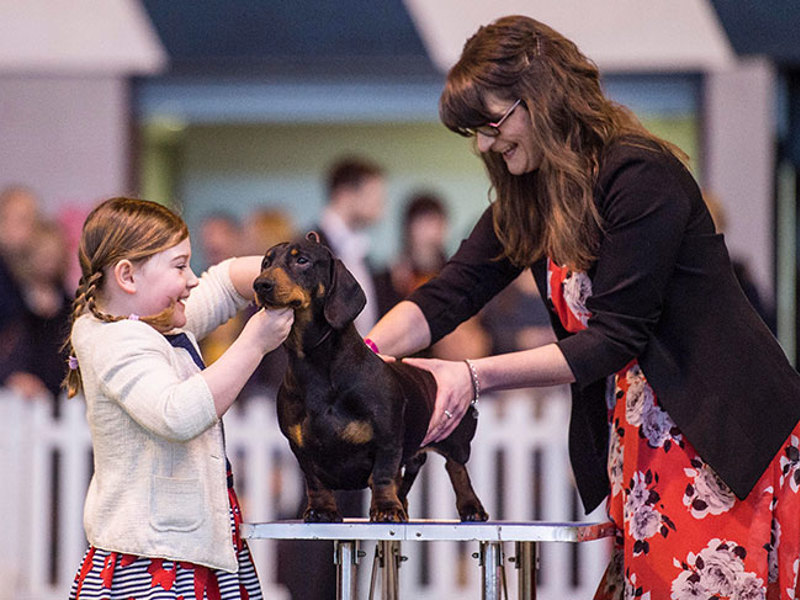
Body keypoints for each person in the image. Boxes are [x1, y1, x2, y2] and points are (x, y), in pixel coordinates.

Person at [365, 15, 800, 598]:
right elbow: (447, 295)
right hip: (641, 441)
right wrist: (359, 357)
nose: (486, 144)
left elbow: (615, 338)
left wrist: (473, 376)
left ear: (541, 97)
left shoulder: (639, 173)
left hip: (719, 441)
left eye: (492, 123)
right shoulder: (529, 198)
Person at [63, 197, 293, 600]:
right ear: (128, 277)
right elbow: (178, 414)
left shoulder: (161, 321)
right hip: (153, 562)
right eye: (179, 266)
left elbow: (222, 283)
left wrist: (288, 272)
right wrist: (254, 343)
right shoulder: (113, 340)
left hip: (191, 552)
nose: (191, 279)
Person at [312, 156, 386, 335]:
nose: (381, 205)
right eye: (374, 195)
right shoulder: (309, 250)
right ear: (345, 194)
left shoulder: (364, 255)